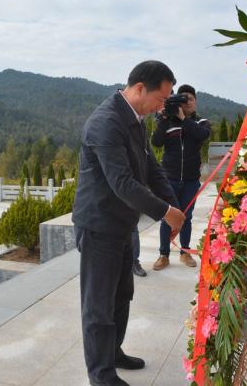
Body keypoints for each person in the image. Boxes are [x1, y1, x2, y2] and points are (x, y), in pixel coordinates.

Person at [72, 60, 185, 386]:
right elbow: (122, 183)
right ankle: (101, 374)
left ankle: (114, 353)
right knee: (98, 305)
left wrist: (174, 207)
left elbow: (151, 169)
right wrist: (165, 212)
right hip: (98, 225)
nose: (162, 106)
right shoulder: (105, 123)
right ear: (139, 89)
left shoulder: (136, 120)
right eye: (161, 99)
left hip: (122, 224)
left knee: (122, 295)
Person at [151, 84, 211, 270]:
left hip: (191, 180)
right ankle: (163, 255)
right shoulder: (168, 122)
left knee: (186, 217)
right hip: (169, 178)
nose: (187, 102)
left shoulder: (201, 122)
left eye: (190, 99)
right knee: (167, 217)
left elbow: (202, 135)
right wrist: (163, 118)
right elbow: (156, 142)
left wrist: (183, 118)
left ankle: (185, 253)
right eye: (183, 99)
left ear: (195, 102)